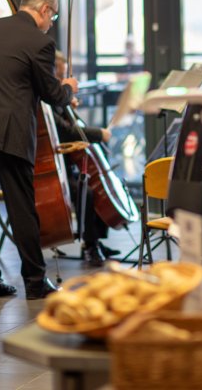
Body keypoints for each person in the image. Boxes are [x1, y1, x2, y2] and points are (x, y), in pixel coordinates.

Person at [0, 0, 79, 300]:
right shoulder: (40, 43)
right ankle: (36, 283)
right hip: (9, 134)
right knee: (22, 209)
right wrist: (68, 87)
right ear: (44, 9)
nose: (51, 23)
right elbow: (53, 95)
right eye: (52, 16)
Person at [52, 50, 121, 266]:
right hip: (54, 170)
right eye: (59, 76)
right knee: (87, 191)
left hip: (67, 166)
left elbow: (75, 127)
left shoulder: (58, 100)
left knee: (94, 184)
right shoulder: (44, 101)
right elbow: (67, 132)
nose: (62, 82)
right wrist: (100, 134)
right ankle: (89, 246)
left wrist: (66, 104)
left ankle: (96, 242)